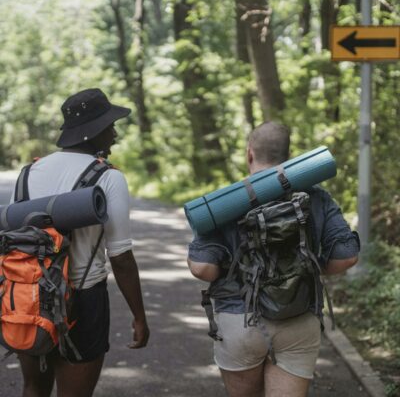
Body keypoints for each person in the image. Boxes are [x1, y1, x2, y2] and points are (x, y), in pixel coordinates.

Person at [187, 121, 359, 397]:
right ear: (290, 158)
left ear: (249, 154)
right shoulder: (316, 197)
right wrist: (308, 268)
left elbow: (203, 268)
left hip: (240, 320)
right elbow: (347, 257)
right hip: (299, 317)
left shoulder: (224, 205)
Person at [15, 88, 150, 397]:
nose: (115, 135)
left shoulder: (28, 173)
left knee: (33, 389)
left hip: (29, 295)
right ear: (95, 131)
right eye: (110, 126)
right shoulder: (108, 178)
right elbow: (121, 257)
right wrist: (139, 316)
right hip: (83, 301)